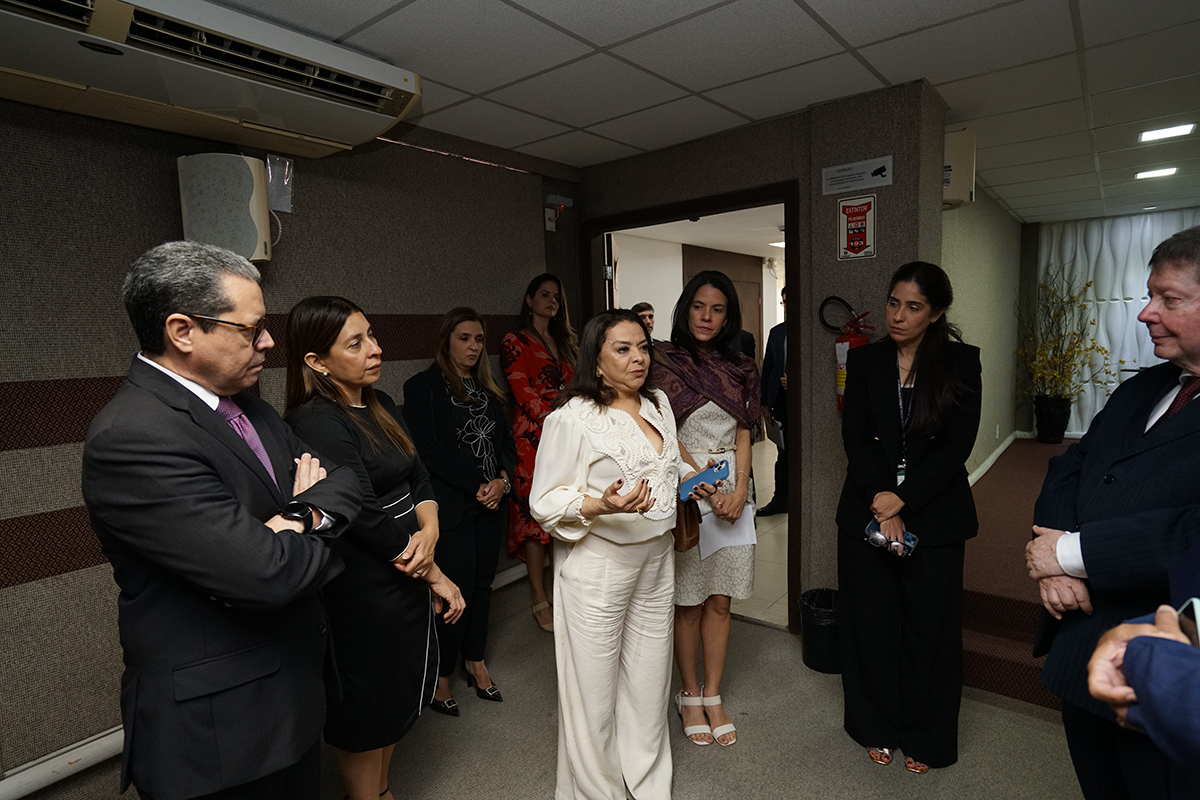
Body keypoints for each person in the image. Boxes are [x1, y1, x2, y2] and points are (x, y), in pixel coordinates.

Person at [81, 242, 363, 800]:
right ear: (182, 331)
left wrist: (296, 519)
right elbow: (266, 575)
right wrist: (298, 530)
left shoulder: (247, 403)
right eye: (250, 329)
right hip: (220, 735)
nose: (268, 342)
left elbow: (346, 481)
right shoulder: (133, 437)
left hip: (291, 696)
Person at [1025, 225, 1200, 800]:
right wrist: (1052, 557)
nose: (1146, 312)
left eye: (1170, 299)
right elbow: (1071, 466)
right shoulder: (1146, 384)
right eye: (1151, 294)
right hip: (1082, 645)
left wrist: (1069, 555)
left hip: (1168, 667)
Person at [284, 296, 465, 800]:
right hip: (364, 587)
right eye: (356, 343)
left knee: (391, 698)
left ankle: (382, 790)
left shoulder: (379, 403)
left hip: (408, 565)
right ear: (317, 362)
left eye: (372, 336)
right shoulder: (317, 419)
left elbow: (419, 472)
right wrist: (432, 571)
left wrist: (429, 534)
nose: (375, 350)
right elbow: (361, 510)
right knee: (367, 707)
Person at [529, 309, 712, 800]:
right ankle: (598, 790)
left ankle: (647, 777)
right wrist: (600, 503)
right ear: (596, 359)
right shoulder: (571, 418)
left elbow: (664, 464)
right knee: (593, 690)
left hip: (655, 562)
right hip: (599, 566)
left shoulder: (656, 404)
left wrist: (694, 482)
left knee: (650, 680)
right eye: (623, 349)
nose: (638, 359)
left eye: (643, 347)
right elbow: (543, 502)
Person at [836, 261, 981, 774]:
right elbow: (855, 435)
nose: (898, 315)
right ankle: (875, 725)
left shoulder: (961, 363)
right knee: (871, 625)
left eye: (913, 307)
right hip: (867, 508)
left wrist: (905, 499)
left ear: (937, 312)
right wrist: (881, 498)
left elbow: (956, 444)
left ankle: (927, 736)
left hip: (934, 513)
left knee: (930, 630)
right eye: (894, 302)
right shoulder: (868, 360)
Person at [653, 270, 761, 747]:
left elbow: (744, 430)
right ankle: (689, 693)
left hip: (734, 491)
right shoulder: (663, 361)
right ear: (685, 309)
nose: (707, 317)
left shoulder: (740, 364)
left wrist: (739, 488)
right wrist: (707, 488)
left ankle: (713, 693)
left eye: (718, 309)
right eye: (699, 306)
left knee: (721, 599)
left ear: (728, 315)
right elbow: (664, 434)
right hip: (688, 489)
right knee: (690, 602)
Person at [404, 307, 517, 715]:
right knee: (456, 591)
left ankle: (476, 660)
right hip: (452, 506)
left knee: (483, 585)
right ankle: (442, 674)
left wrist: (503, 482)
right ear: (446, 341)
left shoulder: (489, 392)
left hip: (493, 504)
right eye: (464, 338)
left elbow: (507, 446)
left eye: (479, 340)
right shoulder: (423, 388)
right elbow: (427, 451)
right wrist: (478, 486)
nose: (473, 346)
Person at [501, 273, 578, 632]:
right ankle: (538, 597)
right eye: (545, 295)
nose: (552, 302)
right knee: (535, 519)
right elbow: (521, 389)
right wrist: (557, 420)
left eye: (557, 298)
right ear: (530, 300)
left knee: (567, 508)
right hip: (534, 436)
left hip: (569, 433)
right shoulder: (515, 340)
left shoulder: (566, 339)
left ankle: (565, 591)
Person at [759, 285, 789, 516]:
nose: (788, 306)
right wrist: (764, 404)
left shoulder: (809, 332)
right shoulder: (777, 333)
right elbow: (768, 368)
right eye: (784, 301)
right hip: (781, 402)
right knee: (783, 455)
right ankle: (781, 501)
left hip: (805, 406)